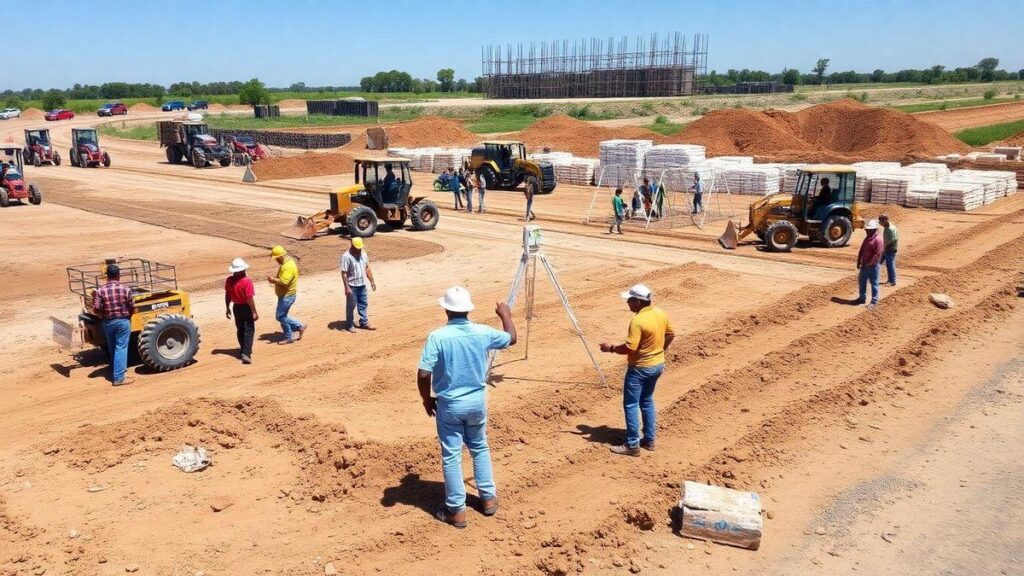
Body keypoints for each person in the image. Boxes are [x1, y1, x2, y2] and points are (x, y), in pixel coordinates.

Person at [418, 287, 516, 528]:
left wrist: (427, 399)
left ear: (446, 309)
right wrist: (505, 315)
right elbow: (511, 338)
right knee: (480, 447)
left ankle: (457, 510)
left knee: (451, 455)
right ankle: (488, 499)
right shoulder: (482, 332)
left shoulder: (437, 337)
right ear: (468, 309)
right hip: (476, 402)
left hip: (449, 404)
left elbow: (423, 373)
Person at [600, 284, 675, 456]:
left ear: (637, 302)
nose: (627, 303)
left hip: (640, 368)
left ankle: (632, 444)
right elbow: (671, 334)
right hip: (657, 365)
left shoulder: (637, 321)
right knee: (647, 401)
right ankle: (649, 440)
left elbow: (630, 347)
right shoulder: (660, 313)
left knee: (631, 404)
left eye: (630, 300)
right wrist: (659, 350)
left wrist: (610, 348)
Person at [91, 263, 136, 386]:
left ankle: (114, 369)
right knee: (121, 348)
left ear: (107, 276)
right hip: (122, 321)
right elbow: (132, 307)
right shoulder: (126, 289)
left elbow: (95, 308)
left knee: (112, 346)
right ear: (118, 275)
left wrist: (102, 316)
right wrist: (128, 317)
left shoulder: (101, 291)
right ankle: (119, 378)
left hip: (108, 322)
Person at [267, 245, 306, 344]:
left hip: (287, 296)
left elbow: (285, 282)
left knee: (280, 316)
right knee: (283, 316)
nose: (276, 261)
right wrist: (275, 281)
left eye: (276, 259)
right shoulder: (286, 264)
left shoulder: (287, 266)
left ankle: (299, 326)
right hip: (285, 295)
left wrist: (273, 280)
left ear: (280, 257)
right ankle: (289, 336)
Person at [225, 257, 258, 364]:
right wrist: (254, 312)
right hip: (246, 307)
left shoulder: (229, 280)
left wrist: (227, 308)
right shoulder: (246, 281)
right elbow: (249, 298)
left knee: (240, 329)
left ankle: (243, 349)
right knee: (249, 330)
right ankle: (246, 353)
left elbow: (228, 295)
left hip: (236, 308)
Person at [340, 237, 376, 332]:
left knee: (363, 304)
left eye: (360, 248)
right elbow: (344, 273)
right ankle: (349, 324)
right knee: (351, 306)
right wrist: (346, 287)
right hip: (352, 286)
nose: (359, 249)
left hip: (362, 284)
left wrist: (371, 280)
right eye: (357, 248)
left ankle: (364, 322)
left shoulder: (363, 254)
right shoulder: (346, 257)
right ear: (352, 245)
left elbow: (367, 267)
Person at [854, 219, 884, 308]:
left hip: (873, 267)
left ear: (874, 230)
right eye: (867, 230)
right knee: (862, 282)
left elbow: (877, 254)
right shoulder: (866, 239)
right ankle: (862, 298)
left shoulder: (878, 240)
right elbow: (861, 250)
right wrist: (859, 261)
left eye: (868, 230)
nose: (867, 231)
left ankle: (874, 301)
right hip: (864, 265)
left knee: (874, 284)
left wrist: (870, 263)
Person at [879, 214, 899, 286]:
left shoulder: (891, 228)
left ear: (885, 220)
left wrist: (886, 246)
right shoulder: (886, 226)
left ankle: (892, 281)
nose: (880, 224)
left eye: (880, 222)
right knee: (879, 262)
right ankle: (874, 277)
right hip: (886, 248)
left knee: (890, 265)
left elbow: (894, 239)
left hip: (890, 249)